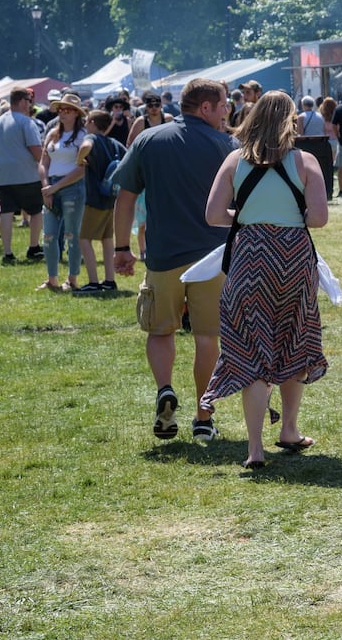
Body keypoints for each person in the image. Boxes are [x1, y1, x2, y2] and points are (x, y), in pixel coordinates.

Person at [200, 91, 329, 468]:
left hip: (249, 255)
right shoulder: (304, 162)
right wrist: (289, 214)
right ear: (291, 121)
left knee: (249, 346)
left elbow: (212, 215)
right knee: (294, 337)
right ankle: (288, 428)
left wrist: (246, 217)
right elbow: (318, 219)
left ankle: (255, 449)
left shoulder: (233, 160)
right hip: (294, 257)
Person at [112, 78, 236, 443]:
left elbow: (125, 197)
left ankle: (165, 389)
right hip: (213, 257)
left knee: (160, 330)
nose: (228, 110)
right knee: (207, 337)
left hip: (163, 255)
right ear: (205, 107)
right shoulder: (228, 146)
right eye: (224, 104)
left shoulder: (148, 140)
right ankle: (203, 414)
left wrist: (121, 248)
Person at [39, 91, 90, 292]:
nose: (63, 113)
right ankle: (52, 279)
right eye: (60, 109)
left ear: (77, 113)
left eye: (67, 110)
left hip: (72, 188)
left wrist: (54, 187)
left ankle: (72, 279)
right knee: (49, 236)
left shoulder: (82, 137)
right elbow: (43, 161)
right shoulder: (53, 133)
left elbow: (81, 169)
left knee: (72, 235)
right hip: (51, 186)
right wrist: (46, 187)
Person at [0, 86, 45, 266]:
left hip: (2, 174)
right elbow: (36, 150)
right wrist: (46, 164)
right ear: (22, 101)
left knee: (6, 212)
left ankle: (7, 252)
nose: (30, 105)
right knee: (36, 211)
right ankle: (34, 247)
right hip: (26, 175)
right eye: (29, 101)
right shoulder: (26, 122)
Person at [73, 108, 123, 295]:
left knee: (83, 238)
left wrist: (79, 160)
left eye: (87, 121)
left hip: (94, 198)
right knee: (107, 239)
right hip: (112, 198)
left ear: (93, 123)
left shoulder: (92, 139)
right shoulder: (114, 143)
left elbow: (85, 147)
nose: (85, 124)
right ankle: (110, 280)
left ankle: (93, 282)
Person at [295, 95, 335, 201]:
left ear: (303, 105)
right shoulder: (320, 116)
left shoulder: (301, 117)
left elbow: (300, 133)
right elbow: (323, 130)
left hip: (307, 145)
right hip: (321, 144)